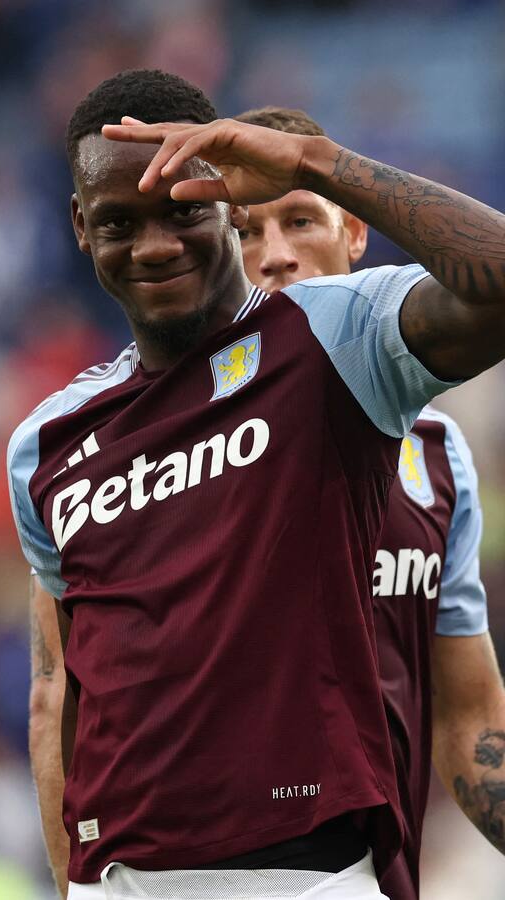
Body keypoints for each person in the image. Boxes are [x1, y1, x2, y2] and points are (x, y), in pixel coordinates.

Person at [8, 68, 505, 899]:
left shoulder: (334, 337)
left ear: (225, 206)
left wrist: (315, 160)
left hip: (307, 875)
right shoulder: (47, 443)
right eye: (120, 222)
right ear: (80, 229)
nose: (155, 244)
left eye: (183, 212)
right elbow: (62, 692)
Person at [234, 105, 505, 900]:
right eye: (244, 233)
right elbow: (64, 706)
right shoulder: (158, 445)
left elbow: (469, 720)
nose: (275, 256)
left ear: (355, 234)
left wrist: (319, 158)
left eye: (299, 219)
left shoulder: (438, 458)